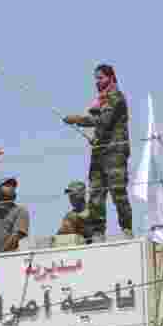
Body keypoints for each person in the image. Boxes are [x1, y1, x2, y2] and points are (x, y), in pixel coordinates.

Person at [63, 63, 133, 241]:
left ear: (111, 78)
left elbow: (103, 120)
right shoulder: (101, 99)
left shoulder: (116, 97)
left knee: (118, 193)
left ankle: (126, 229)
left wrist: (77, 119)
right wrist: (95, 138)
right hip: (99, 152)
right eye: (96, 78)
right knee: (96, 194)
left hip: (115, 152)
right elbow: (100, 126)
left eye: (101, 78)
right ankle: (98, 231)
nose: (97, 82)